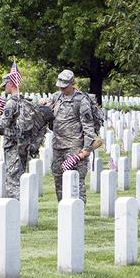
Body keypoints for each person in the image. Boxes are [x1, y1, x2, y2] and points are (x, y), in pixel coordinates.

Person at [49, 69, 96, 202]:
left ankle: (78, 211)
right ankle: (63, 211)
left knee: (76, 181)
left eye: (64, 86)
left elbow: (88, 125)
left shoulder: (81, 100)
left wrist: (86, 148)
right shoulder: (56, 97)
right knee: (58, 180)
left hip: (74, 147)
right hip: (58, 146)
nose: (61, 88)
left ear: (72, 83)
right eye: (60, 86)